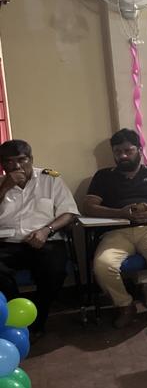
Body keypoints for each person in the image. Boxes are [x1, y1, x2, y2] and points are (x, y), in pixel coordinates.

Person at [83, 129, 147, 327]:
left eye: (128, 150)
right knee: (102, 265)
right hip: (116, 230)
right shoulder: (103, 176)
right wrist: (120, 213)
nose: (123, 156)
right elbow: (88, 207)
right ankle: (125, 305)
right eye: (118, 152)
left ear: (139, 150)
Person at [0, 140, 78, 337]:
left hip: (46, 240)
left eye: (22, 160)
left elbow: (69, 212)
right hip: (7, 243)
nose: (17, 166)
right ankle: (17, 317)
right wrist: (5, 188)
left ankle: (37, 318)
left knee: (55, 272)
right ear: (2, 165)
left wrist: (47, 230)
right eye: (9, 162)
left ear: (31, 159)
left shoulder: (50, 178)